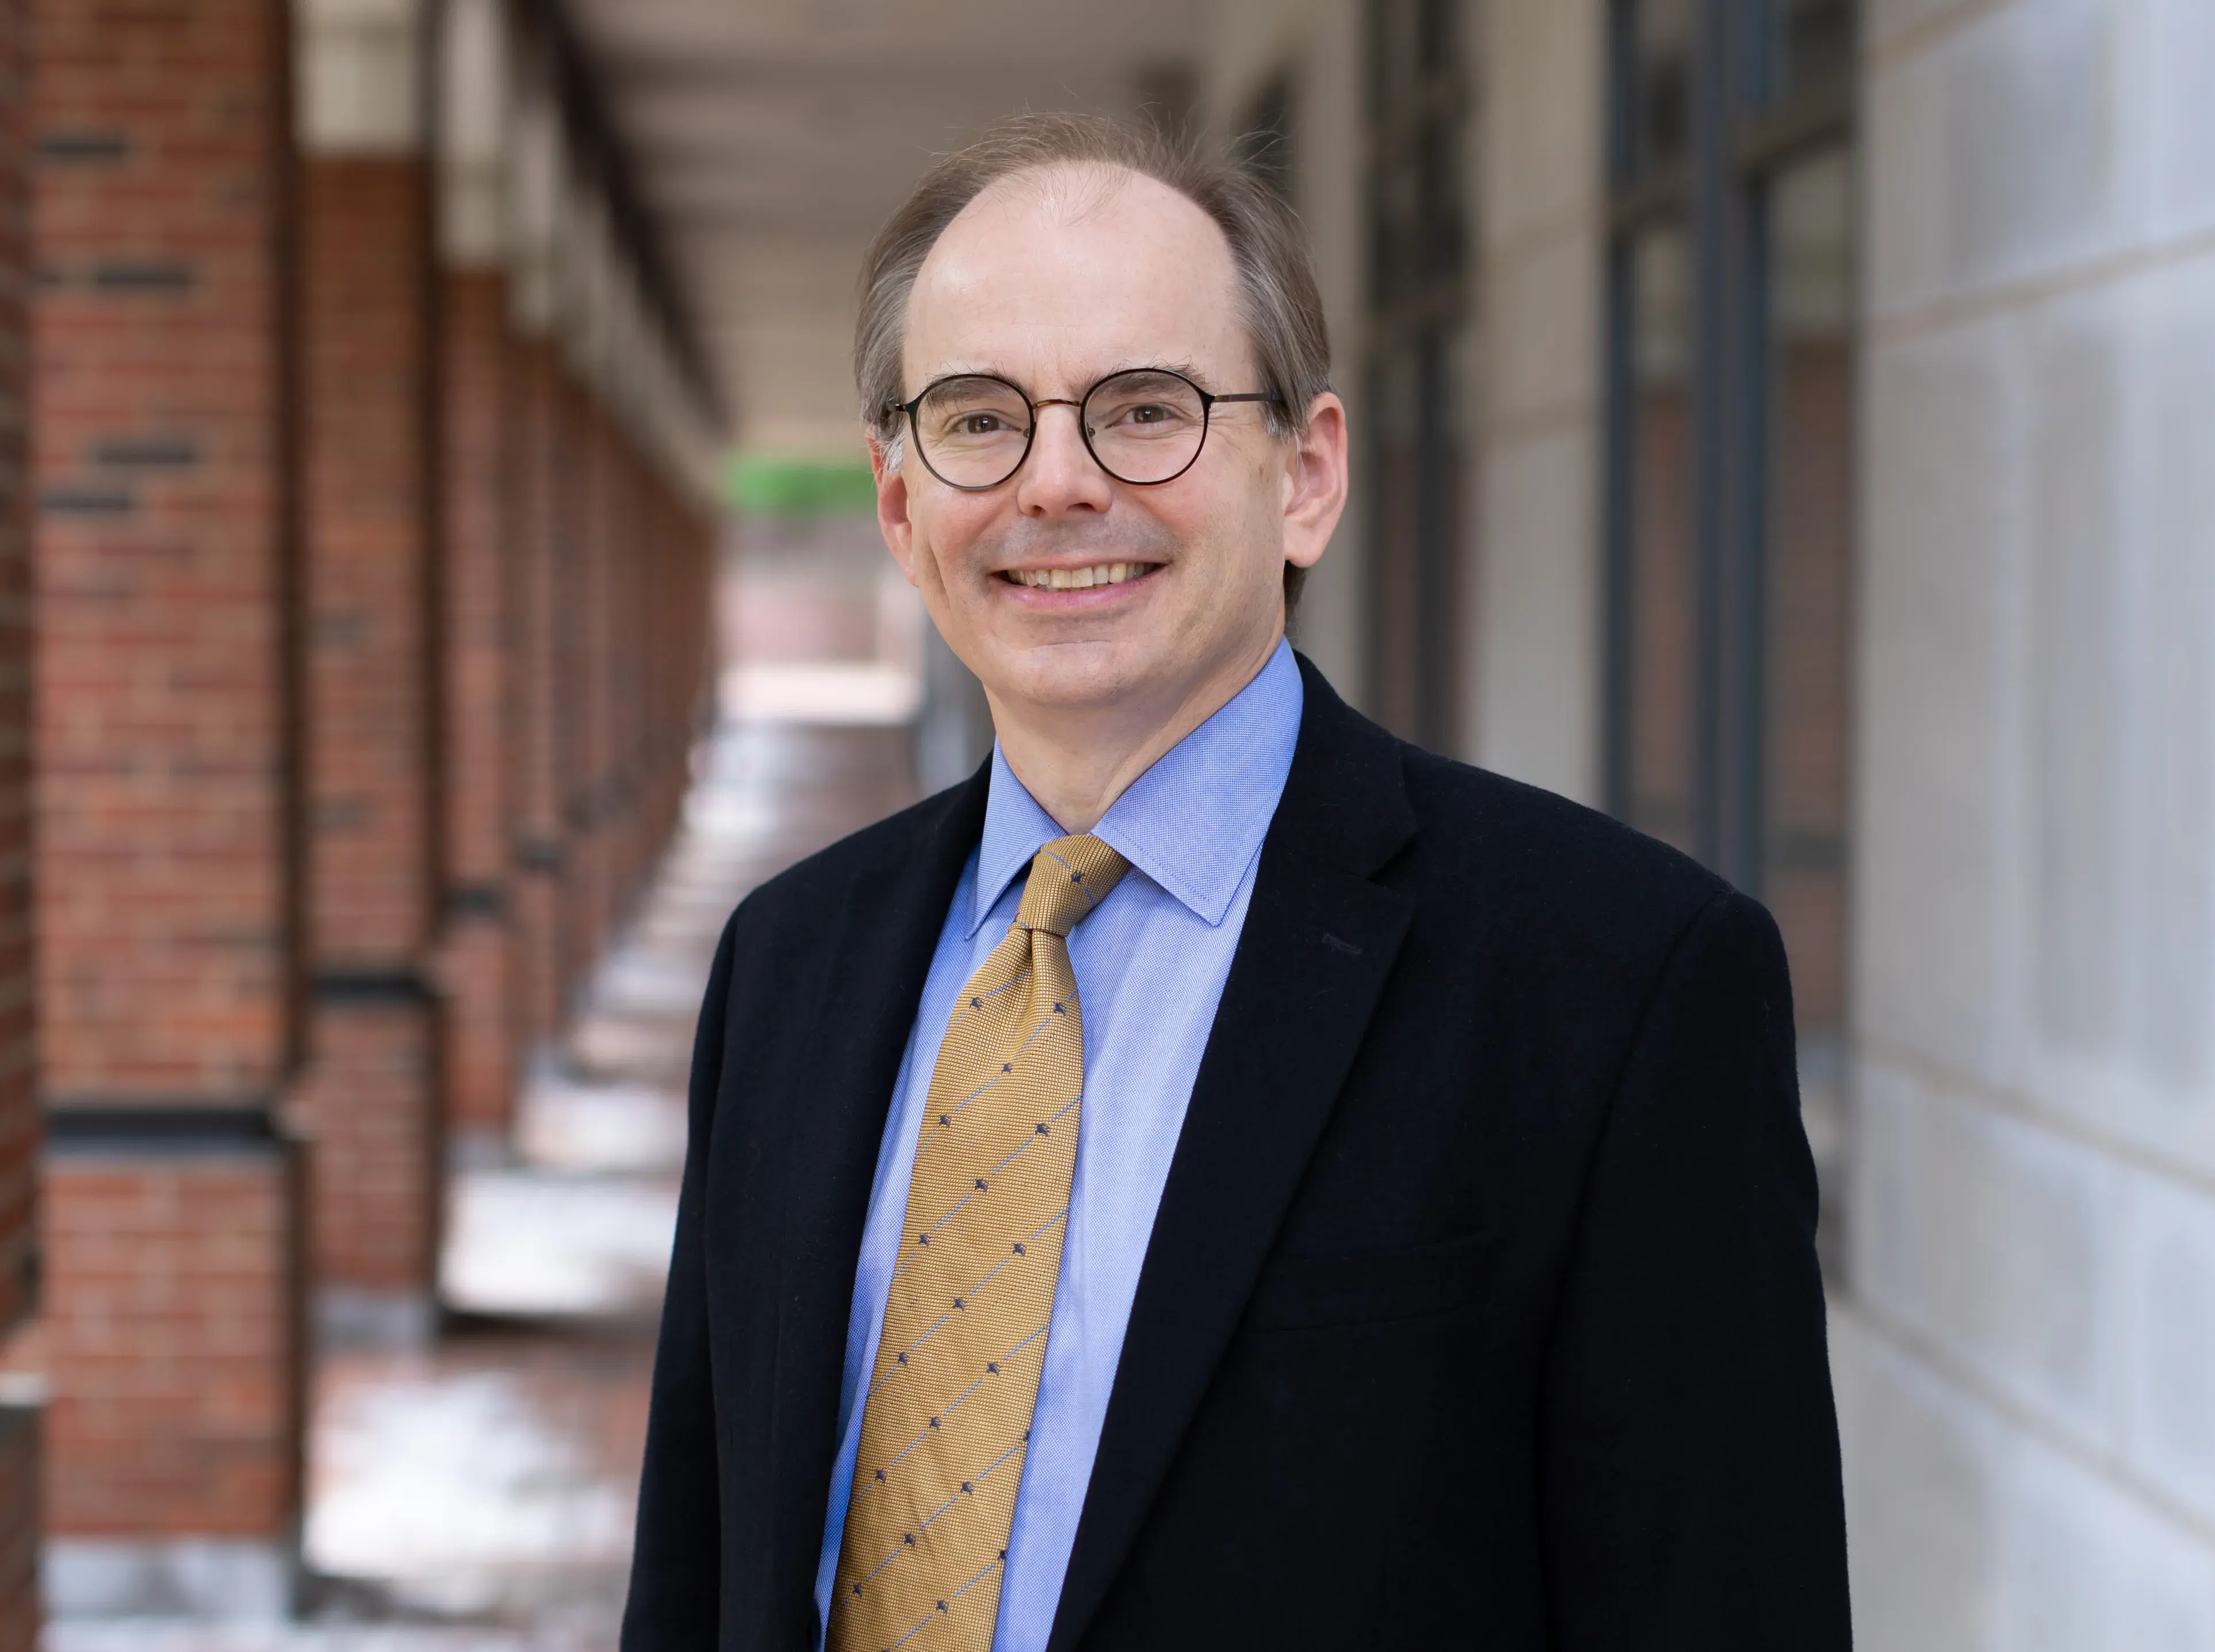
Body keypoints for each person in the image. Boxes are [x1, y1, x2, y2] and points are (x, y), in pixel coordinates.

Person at [621, 113, 1849, 1652]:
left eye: (1145, 410)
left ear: (1309, 474)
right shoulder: (789, 963)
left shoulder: (1619, 987)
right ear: (898, 508)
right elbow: (696, 1570)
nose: (1056, 484)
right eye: (980, 418)